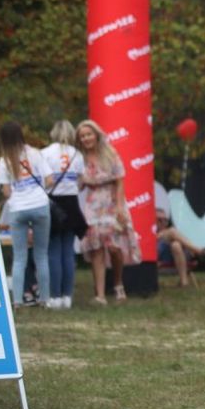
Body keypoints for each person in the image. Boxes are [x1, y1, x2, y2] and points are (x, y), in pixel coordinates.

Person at [76, 120, 141, 305]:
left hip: (112, 202)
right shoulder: (79, 159)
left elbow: (120, 181)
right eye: (82, 136)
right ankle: (100, 295)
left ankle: (118, 284)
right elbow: (78, 185)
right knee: (96, 248)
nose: (86, 138)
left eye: (88, 134)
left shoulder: (110, 153)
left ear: (96, 135)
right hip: (93, 205)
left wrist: (119, 206)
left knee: (114, 247)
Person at [0, 121, 54, 309]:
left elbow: (6, 191)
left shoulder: (4, 160)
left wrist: (18, 194)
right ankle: (45, 299)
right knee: (41, 255)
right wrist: (37, 191)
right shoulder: (35, 153)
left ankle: (18, 301)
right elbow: (50, 180)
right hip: (40, 206)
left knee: (19, 257)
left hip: (18, 208)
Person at [41, 120, 86, 309]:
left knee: (53, 250)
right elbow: (82, 182)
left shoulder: (45, 153)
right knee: (68, 251)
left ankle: (54, 296)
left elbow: (44, 181)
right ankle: (67, 296)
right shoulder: (77, 154)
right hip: (72, 203)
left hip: (53, 204)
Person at [156, 210, 205, 287]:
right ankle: (198, 250)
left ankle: (184, 282)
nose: (163, 222)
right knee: (172, 231)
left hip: (176, 257)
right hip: (159, 257)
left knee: (176, 244)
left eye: (165, 220)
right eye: (159, 220)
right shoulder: (148, 233)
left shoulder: (171, 233)